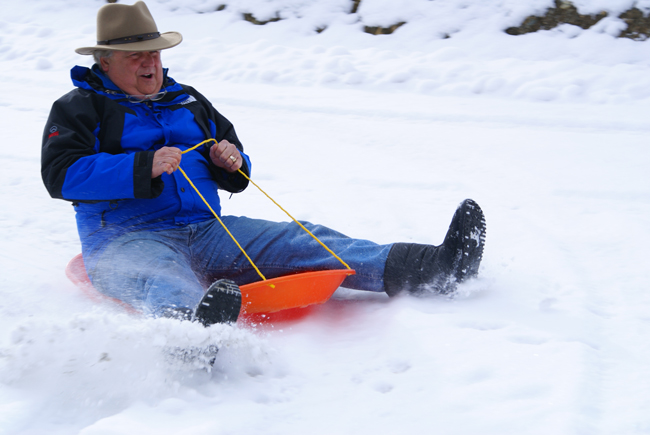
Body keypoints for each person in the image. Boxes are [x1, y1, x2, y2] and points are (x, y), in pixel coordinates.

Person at [41, 1, 486, 326]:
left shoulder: (188, 100)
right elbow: (60, 176)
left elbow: (234, 159)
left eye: (154, 52)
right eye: (136, 55)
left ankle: (433, 268)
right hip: (126, 239)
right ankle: (195, 337)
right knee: (162, 280)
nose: (150, 63)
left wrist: (230, 161)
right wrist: (143, 166)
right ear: (104, 61)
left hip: (207, 229)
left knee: (305, 239)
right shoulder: (80, 108)